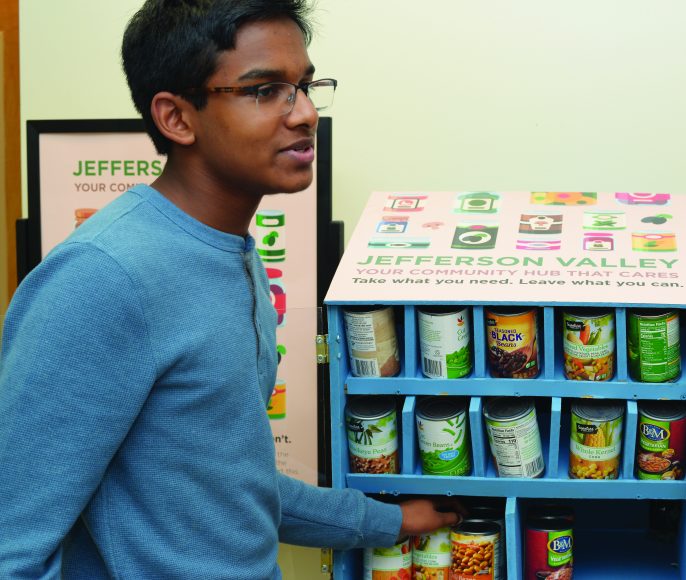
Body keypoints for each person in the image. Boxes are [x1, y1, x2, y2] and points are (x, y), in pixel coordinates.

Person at [0, 1, 461, 578]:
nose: (306, 114)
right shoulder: (103, 278)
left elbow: (225, 480)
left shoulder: (233, 253)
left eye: (305, 86)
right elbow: (11, 545)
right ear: (176, 118)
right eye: (266, 90)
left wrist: (387, 521)